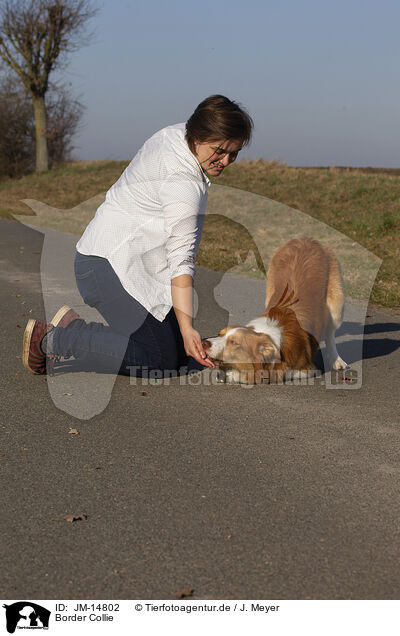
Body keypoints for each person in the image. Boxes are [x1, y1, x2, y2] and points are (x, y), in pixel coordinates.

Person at [22, 95, 253, 378]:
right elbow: (181, 261)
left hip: (113, 259)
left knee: (179, 351)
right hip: (107, 270)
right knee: (160, 360)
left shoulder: (175, 135)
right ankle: (54, 340)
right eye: (220, 150)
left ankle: (77, 329)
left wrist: (184, 331)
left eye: (235, 153)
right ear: (199, 135)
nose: (226, 161)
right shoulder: (183, 185)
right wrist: (186, 326)